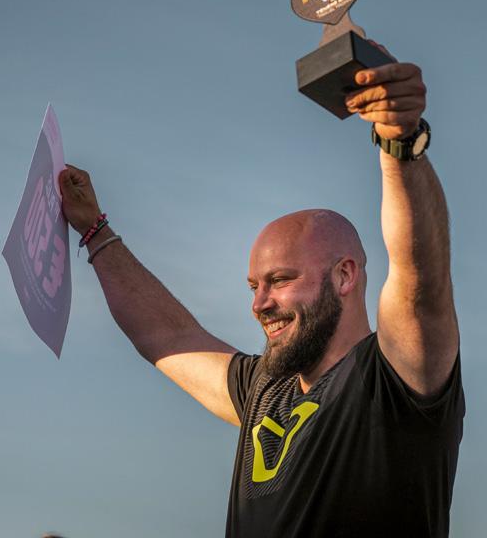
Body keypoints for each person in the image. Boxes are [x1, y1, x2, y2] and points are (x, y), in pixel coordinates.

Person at [59, 58, 464, 537]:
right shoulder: (264, 391)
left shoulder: (393, 379)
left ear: (345, 276)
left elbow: (420, 277)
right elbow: (167, 335)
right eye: (254, 286)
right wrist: (95, 230)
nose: (259, 304)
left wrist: (399, 142)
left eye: (280, 280)